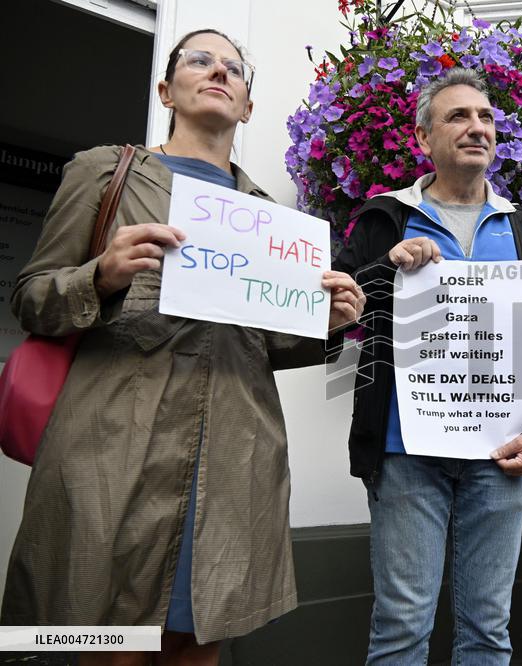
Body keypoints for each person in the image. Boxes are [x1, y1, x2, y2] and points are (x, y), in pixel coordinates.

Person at [0, 29, 365, 666]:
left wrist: (329, 322)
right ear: (167, 90)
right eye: (199, 60)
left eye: (234, 68)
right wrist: (101, 275)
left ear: (248, 106)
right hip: (117, 445)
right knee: (112, 645)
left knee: (199, 643)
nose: (218, 71)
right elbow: (31, 297)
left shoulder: (270, 218)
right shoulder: (105, 172)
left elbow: (268, 343)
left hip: (231, 457)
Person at [329, 68, 522, 664]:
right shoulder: (385, 217)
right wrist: (386, 266)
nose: (476, 127)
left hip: (500, 454)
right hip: (406, 452)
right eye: (458, 116)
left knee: (488, 629)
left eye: (485, 118)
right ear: (423, 138)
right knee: (402, 626)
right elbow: (334, 312)